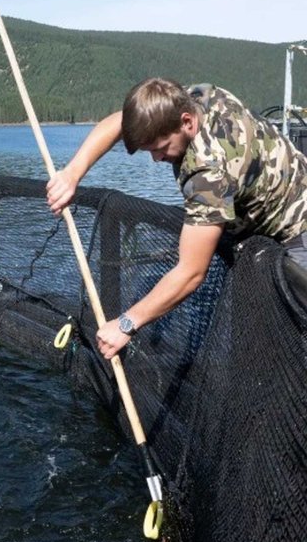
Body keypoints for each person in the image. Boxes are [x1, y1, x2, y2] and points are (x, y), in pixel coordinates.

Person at [46, 78, 307, 360]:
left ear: (187, 123)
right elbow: (120, 122)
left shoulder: (208, 174)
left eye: (161, 148)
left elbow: (191, 273)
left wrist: (125, 324)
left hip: (297, 228)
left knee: (288, 338)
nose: (156, 159)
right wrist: (72, 174)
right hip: (265, 202)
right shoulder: (193, 97)